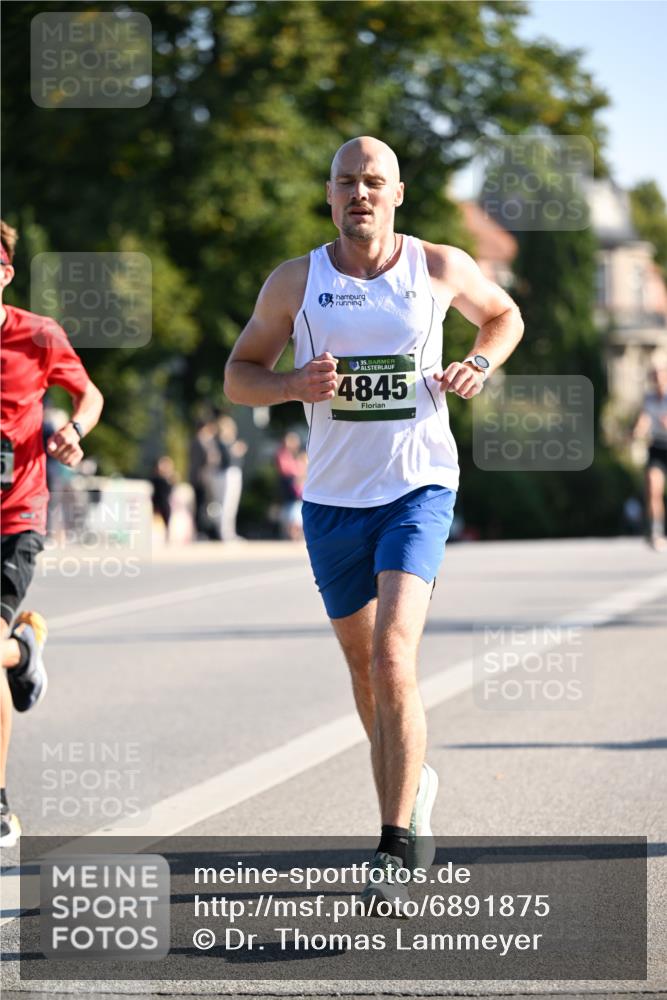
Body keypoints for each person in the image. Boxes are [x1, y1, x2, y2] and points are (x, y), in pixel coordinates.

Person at [224, 136, 523, 914]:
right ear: (328, 195)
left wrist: (477, 365)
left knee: (394, 655)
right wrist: (292, 382)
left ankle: (395, 844)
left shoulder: (436, 267)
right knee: (364, 671)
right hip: (330, 499)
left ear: (397, 193)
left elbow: (502, 316)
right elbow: (238, 374)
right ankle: (411, 779)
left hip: (418, 486)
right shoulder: (297, 280)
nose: (360, 193)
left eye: (374, 182)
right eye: (346, 182)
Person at [0, 219, 104, 846]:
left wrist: (77, 430)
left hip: (15, 515)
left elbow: (88, 394)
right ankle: (25, 649)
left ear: (5, 272)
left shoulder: (37, 335)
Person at [632, 359, 667, 551]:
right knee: (653, 487)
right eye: (653, 373)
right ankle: (656, 531)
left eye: (660, 372)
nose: (657, 376)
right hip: (657, 448)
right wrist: (638, 430)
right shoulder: (649, 398)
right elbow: (644, 419)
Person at [214, 415, 247, 541]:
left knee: (229, 505)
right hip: (228, 474)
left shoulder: (227, 442)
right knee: (227, 504)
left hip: (230, 473)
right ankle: (226, 533)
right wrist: (236, 450)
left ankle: (228, 532)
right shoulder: (224, 442)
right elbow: (227, 458)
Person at [275, 431, 307, 540]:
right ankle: (292, 533)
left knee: (296, 510)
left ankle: (295, 532)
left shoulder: (297, 454)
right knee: (292, 510)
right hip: (290, 488)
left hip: (297, 489)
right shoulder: (283, 454)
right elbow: (286, 470)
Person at [150, 456, 176, 540]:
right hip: (156, 503)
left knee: (166, 521)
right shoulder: (156, 478)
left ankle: (166, 536)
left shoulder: (170, 478)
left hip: (165, 504)